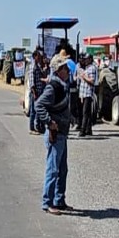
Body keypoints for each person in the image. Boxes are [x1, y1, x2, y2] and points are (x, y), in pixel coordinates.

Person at [37, 54, 73, 215]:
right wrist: (49, 122)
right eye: (65, 67)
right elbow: (39, 106)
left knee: (63, 169)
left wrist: (70, 116)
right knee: (53, 169)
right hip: (55, 133)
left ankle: (59, 200)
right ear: (59, 70)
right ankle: (48, 202)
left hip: (62, 132)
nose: (68, 70)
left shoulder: (62, 84)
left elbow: (61, 106)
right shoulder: (53, 86)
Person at [28, 48, 50, 136]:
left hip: (40, 91)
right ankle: (31, 128)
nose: (40, 58)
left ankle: (38, 127)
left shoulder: (38, 66)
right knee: (33, 111)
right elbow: (32, 82)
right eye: (39, 56)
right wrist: (35, 93)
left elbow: (42, 76)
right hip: (35, 92)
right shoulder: (32, 67)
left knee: (38, 110)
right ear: (35, 56)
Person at [78, 54, 97, 137]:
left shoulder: (92, 68)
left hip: (88, 93)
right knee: (87, 112)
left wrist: (84, 77)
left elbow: (92, 81)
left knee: (85, 112)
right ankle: (88, 129)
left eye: (86, 59)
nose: (85, 60)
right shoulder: (87, 68)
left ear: (90, 59)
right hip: (84, 93)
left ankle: (82, 130)